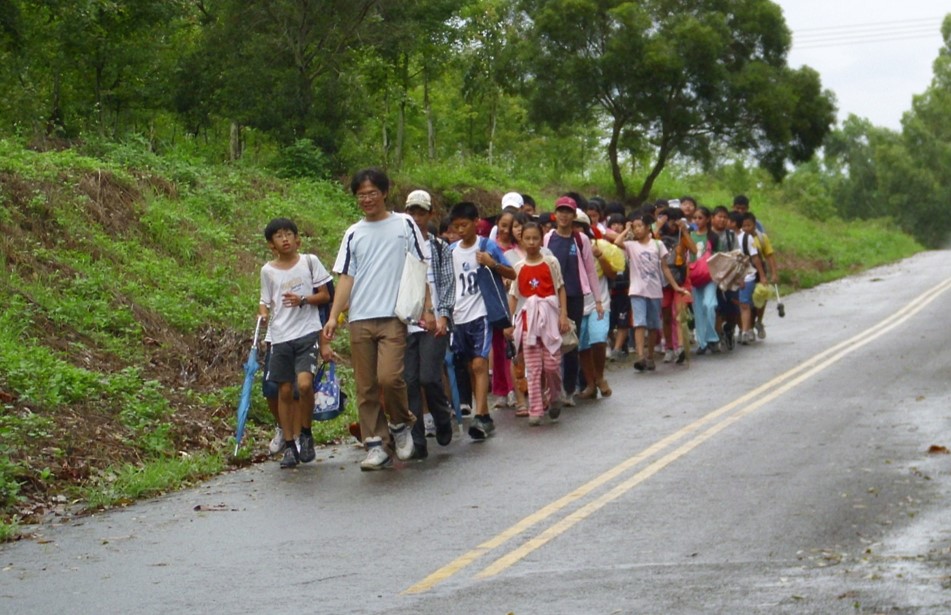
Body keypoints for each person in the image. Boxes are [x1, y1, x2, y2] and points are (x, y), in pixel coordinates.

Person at [323, 169, 433, 471]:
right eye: (361, 195)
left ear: (384, 193)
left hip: (393, 317)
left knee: (390, 378)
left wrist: (427, 308)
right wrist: (334, 316)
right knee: (366, 385)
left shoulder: (404, 223)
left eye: (372, 193)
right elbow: (347, 277)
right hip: (360, 318)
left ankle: (399, 425)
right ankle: (375, 444)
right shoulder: (353, 233)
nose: (367, 199)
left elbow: (419, 266)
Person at [259, 217, 332, 468]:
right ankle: (290, 445)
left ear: (297, 238)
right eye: (279, 236)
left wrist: (303, 299)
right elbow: (265, 300)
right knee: (284, 390)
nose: (285, 239)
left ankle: (306, 433)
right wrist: (263, 312)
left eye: (289, 234)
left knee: (304, 384)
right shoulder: (267, 271)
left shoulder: (309, 262)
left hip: (306, 332)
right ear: (271, 244)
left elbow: (325, 295)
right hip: (279, 336)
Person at [448, 201, 515, 440]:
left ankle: (479, 414)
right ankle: (484, 415)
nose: (460, 231)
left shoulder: (487, 246)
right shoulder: (451, 251)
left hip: (482, 313)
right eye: (456, 226)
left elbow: (512, 273)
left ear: (476, 222)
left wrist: (492, 263)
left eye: (464, 225)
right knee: (469, 364)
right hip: (459, 315)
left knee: (479, 364)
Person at [402, 190, 455, 459]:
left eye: (421, 212)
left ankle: (442, 416)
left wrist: (443, 315)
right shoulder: (398, 247)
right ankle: (417, 439)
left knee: (429, 376)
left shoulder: (439, 247)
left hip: (434, 320)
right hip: (405, 321)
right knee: (409, 380)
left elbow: (447, 284)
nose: (416, 217)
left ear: (430, 214)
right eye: (411, 212)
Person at [505, 222, 569, 425]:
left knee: (552, 365)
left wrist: (563, 315)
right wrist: (510, 322)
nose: (532, 243)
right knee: (533, 368)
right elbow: (514, 296)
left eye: (535, 238)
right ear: (521, 240)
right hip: (528, 322)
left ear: (541, 239)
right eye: (528, 238)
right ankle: (536, 407)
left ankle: (555, 395)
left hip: (549, 318)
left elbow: (560, 288)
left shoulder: (551, 262)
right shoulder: (518, 267)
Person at [544, 195, 601, 405]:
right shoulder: (548, 237)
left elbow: (590, 270)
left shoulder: (580, 239)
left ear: (574, 215)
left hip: (575, 296)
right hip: (550, 297)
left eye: (568, 211)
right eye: (560, 211)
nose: (563, 215)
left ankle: (568, 390)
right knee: (551, 342)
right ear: (555, 213)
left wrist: (598, 300)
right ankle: (552, 389)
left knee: (570, 344)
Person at [614, 213, 689, 371]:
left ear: (648, 227)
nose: (637, 229)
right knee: (639, 322)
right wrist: (626, 229)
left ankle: (649, 355)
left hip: (655, 290)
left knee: (653, 324)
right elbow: (617, 241)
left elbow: (665, 267)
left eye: (640, 226)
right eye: (635, 227)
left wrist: (675, 286)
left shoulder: (657, 245)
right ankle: (640, 356)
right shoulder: (631, 245)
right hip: (637, 290)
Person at [575, 210, 624, 398]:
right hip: (578, 305)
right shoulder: (565, 246)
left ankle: (600, 376)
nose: (576, 229)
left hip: (599, 303)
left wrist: (600, 256)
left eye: (579, 226)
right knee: (582, 346)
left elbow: (613, 274)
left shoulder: (600, 246)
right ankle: (590, 383)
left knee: (598, 338)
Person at [689, 207, 720, 355]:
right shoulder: (690, 235)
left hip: (710, 276)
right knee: (698, 310)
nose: (697, 220)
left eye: (700, 217)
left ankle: (712, 338)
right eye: (695, 217)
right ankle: (702, 342)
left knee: (709, 304)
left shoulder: (713, 237)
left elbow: (718, 257)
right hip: (694, 276)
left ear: (707, 219)